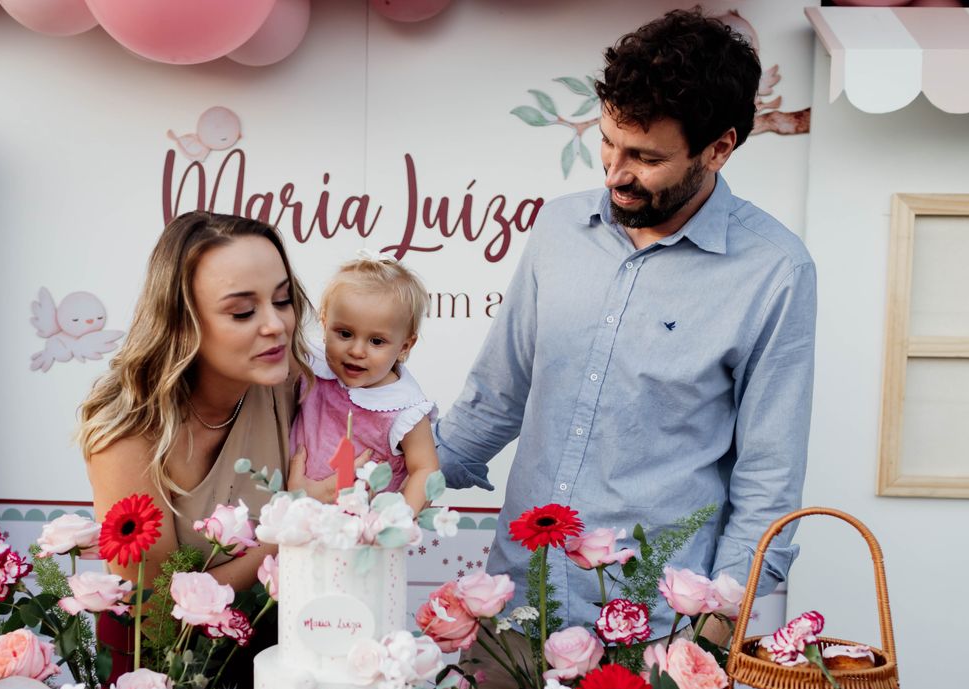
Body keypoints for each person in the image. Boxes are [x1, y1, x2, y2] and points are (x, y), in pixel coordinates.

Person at [434, 8, 817, 644]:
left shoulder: (775, 271)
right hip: (519, 606)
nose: (614, 172)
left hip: (655, 631)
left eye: (645, 157)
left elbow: (769, 479)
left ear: (719, 148)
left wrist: (711, 630)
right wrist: (379, 487)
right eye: (608, 141)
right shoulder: (558, 229)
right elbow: (494, 398)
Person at [79, 211, 319, 675]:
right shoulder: (126, 434)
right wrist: (295, 521)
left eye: (283, 299)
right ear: (182, 322)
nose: (276, 325)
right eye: (243, 311)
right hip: (167, 680)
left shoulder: (288, 381)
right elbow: (158, 618)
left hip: (281, 664)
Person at [290, 255, 439, 513]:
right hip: (294, 515)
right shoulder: (312, 366)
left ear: (405, 346)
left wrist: (397, 522)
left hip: (360, 526)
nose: (357, 351)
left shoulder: (403, 409)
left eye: (376, 341)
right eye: (345, 334)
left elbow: (425, 468)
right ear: (324, 324)